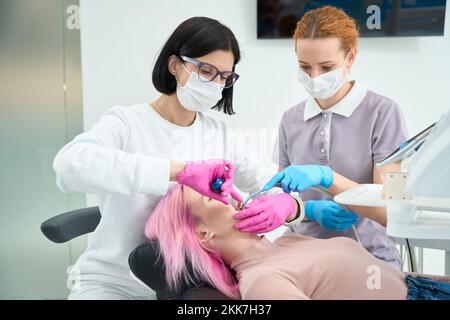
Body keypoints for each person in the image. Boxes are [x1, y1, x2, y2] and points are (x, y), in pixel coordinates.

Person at [53, 17, 299, 300]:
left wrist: (289, 205)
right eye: (206, 70)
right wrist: (177, 171)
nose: (216, 83)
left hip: (189, 289)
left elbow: (267, 184)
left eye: (224, 76)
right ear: (175, 65)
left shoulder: (220, 136)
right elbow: (69, 165)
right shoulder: (127, 123)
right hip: (112, 286)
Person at [235, 6, 408, 269]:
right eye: (305, 66)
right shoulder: (291, 119)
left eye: (326, 67)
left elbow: (389, 212)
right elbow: (282, 201)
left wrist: (327, 177)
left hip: (369, 259)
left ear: (350, 58)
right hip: (299, 254)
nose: (314, 77)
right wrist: (307, 209)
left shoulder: (382, 113)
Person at [146, 184, 450, 300]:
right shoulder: (263, 281)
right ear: (203, 235)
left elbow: (384, 280)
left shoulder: (286, 244)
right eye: (212, 196)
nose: (230, 192)